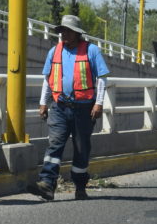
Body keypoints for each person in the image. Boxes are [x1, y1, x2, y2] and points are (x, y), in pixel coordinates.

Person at [28, 15, 110, 201]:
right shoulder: (54, 51)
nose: (63, 34)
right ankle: (47, 184)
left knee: (81, 148)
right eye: (62, 31)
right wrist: (43, 102)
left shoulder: (91, 51)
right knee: (55, 143)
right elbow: (48, 79)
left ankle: (80, 186)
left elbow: (102, 78)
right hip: (59, 107)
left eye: (67, 31)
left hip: (84, 109)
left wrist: (99, 103)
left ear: (77, 33)